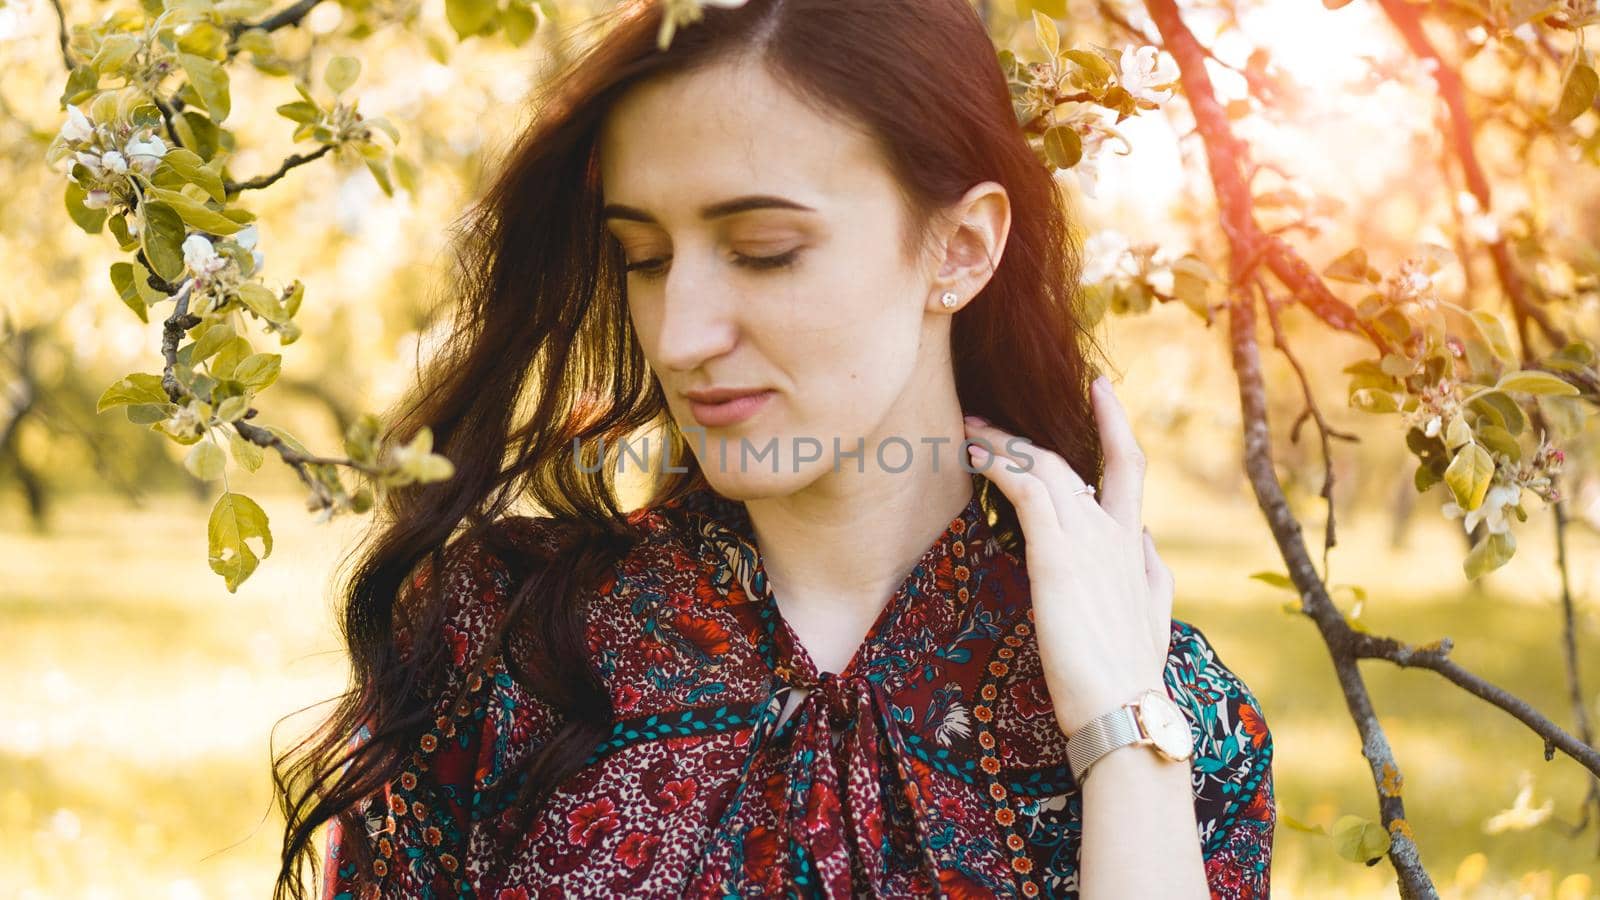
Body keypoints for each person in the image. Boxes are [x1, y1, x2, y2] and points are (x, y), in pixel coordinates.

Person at [272, 0, 1276, 897]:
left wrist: (1123, 737)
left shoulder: (1180, 717)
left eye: (764, 252)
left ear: (960, 249)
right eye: (646, 258)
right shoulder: (499, 643)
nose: (678, 335)